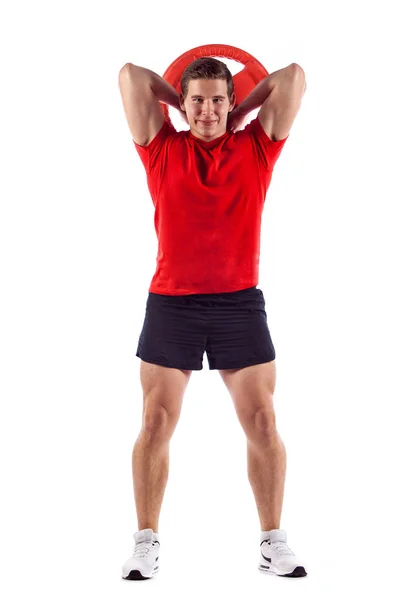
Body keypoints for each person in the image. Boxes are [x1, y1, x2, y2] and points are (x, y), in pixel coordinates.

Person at [118, 56, 307, 579]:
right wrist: (180, 104)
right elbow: (132, 76)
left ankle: (273, 543)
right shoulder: (161, 149)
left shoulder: (256, 148)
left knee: (264, 422)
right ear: (182, 105)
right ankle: (146, 542)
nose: (207, 110)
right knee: (155, 421)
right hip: (171, 303)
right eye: (196, 100)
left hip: (238, 304)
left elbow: (291, 77)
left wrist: (241, 113)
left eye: (216, 100)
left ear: (230, 102)